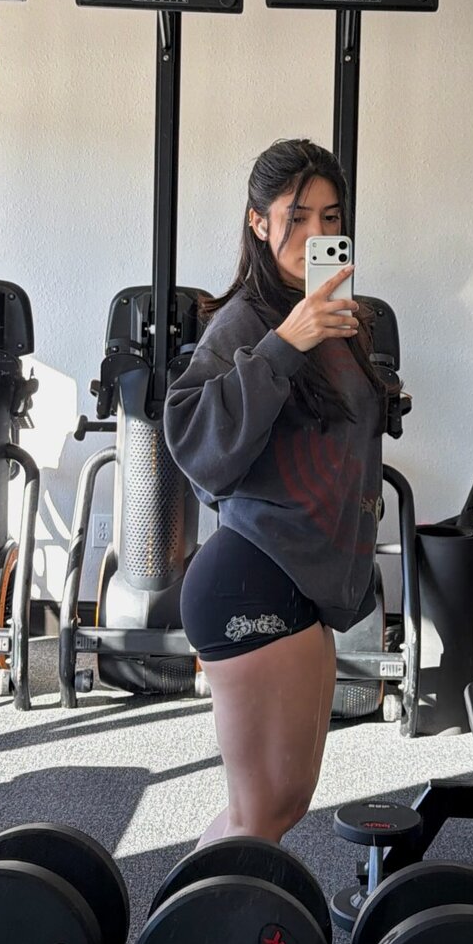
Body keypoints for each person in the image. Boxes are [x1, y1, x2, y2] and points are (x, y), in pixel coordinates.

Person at [163, 137, 397, 847]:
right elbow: (195, 440)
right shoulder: (247, 321)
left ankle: (202, 909)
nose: (315, 233)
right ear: (258, 222)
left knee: (281, 806)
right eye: (296, 217)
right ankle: (195, 915)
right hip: (253, 579)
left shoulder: (338, 317)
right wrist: (283, 346)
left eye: (331, 217)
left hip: (303, 582)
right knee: (260, 812)